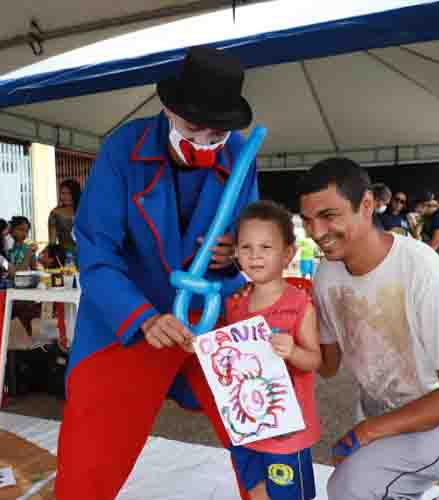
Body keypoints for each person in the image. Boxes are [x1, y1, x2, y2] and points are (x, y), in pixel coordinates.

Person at [56, 47, 259, 499]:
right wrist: (142, 318)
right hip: (126, 318)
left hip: (210, 317)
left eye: (217, 132)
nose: (205, 141)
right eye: (193, 128)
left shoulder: (241, 154)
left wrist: (238, 254)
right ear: (168, 110)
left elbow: (255, 236)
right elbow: (96, 252)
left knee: (266, 433)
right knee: (90, 459)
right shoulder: (122, 149)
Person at [299, 158, 439, 500]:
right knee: (358, 485)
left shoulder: (423, 270)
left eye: (329, 216)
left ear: (367, 205)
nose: (316, 232)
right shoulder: (326, 275)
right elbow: (327, 366)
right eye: (308, 220)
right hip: (381, 417)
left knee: (348, 488)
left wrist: (367, 432)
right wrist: (282, 316)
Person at [227, 201, 322, 500]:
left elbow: (314, 360)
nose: (255, 255)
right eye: (246, 247)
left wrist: (293, 351)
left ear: (288, 253)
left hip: (286, 434)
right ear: (236, 253)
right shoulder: (236, 304)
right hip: (246, 428)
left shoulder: (299, 305)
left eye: (266, 247)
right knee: (257, 493)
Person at [48, 179, 80, 260]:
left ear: (75, 194)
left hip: (86, 255)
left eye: (69, 193)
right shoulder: (55, 213)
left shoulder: (84, 211)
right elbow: (52, 242)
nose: (65, 197)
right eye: (62, 193)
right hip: (66, 257)